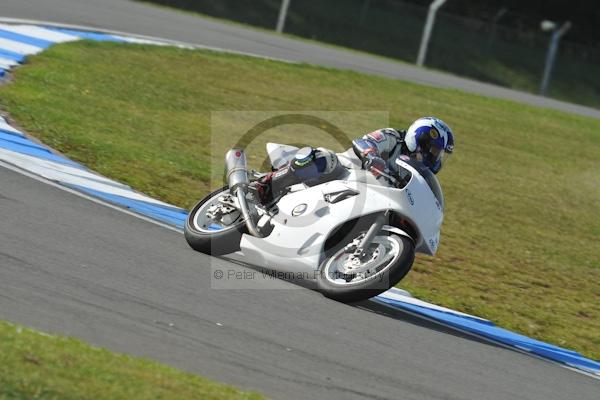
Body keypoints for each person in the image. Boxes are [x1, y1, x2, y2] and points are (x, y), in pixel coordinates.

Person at [252, 117, 454, 204]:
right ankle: (267, 184)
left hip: (368, 194)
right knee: (325, 160)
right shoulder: (393, 137)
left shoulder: (414, 172)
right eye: (435, 151)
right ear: (421, 140)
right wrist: (372, 157)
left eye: (439, 154)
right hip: (346, 171)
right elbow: (364, 142)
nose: (435, 157)